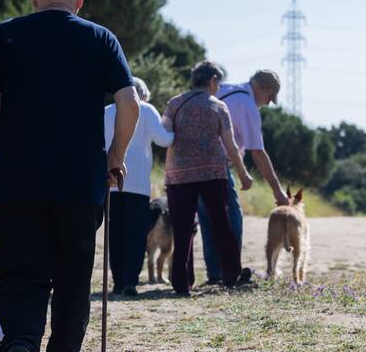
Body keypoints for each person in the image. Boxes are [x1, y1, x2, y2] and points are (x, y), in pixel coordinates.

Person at [0, 0, 140, 352]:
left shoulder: (7, 34)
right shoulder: (99, 37)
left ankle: (21, 345)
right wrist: (115, 158)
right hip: (80, 183)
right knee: (71, 278)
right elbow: (129, 103)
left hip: (20, 182)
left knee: (21, 273)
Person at [162, 61, 254, 296]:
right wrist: (243, 174)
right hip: (212, 173)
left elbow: (164, 134)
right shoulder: (218, 106)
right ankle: (231, 275)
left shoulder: (175, 103)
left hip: (178, 173)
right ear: (212, 80)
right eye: (218, 83)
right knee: (220, 224)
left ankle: (182, 283)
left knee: (183, 229)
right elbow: (230, 145)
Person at [197, 70, 287, 284]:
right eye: (269, 97)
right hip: (219, 166)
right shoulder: (247, 106)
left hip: (194, 163)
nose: (267, 103)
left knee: (208, 220)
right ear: (263, 88)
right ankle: (232, 272)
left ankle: (214, 273)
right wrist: (277, 191)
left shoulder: (226, 88)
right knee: (232, 220)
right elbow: (257, 152)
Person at [103, 76, 173, 297]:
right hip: (138, 184)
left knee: (115, 234)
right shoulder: (146, 108)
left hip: (111, 181)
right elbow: (164, 140)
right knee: (135, 233)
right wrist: (173, 127)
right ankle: (131, 281)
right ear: (143, 94)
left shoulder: (106, 111)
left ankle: (116, 281)